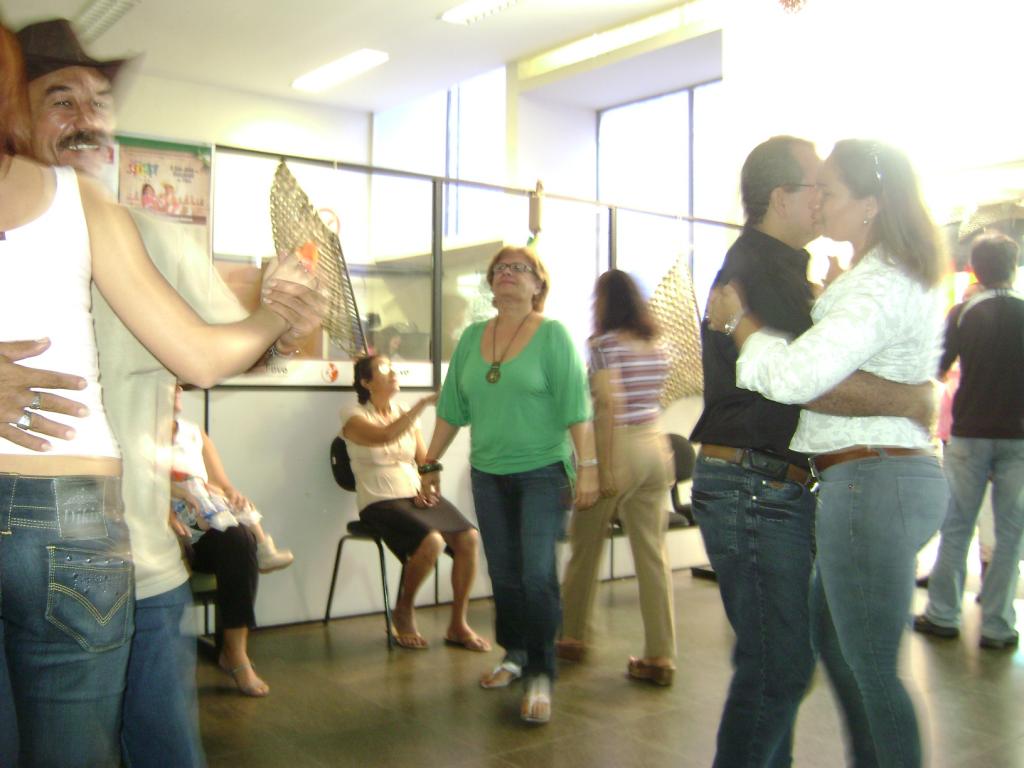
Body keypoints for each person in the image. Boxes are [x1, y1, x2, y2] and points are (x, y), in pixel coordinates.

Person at [6, 19, 322, 767]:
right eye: (61, 99)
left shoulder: (152, 236)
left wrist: (281, 323)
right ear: (15, 113)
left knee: (162, 752)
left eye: (98, 101)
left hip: (139, 561)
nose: (86, 118)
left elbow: (224, 351)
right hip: (41, 545)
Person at [691, 135, 935, 768]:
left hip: (770, 481)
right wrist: (912, 399)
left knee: (790, 663)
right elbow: (809, 382)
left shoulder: (783, 271)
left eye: (831, 189)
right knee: (780, 668)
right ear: (782, 197)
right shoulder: (762, 271)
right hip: (755, 483)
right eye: (815, 188)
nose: (822, 201)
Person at [422, 245, 598, 725]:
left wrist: (588, 466)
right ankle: (515, 654)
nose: (507, 274)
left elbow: (576, 408)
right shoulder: (471, 338)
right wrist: (429, 462)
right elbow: (451, 409)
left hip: (543, 472)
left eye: (520, 268)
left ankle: (541, 671)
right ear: (490, 282)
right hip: (488, 474)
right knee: (504, 572)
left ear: (539, 284)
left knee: (537, 573)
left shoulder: (553, 335)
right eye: (500, 268)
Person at [557, 269, 676, 684]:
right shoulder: (656, 344)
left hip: (618, 447)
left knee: (585, 545)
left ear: (606, 302)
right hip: (657, 446)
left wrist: (602, 467)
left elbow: (608, 403)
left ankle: (573, 636)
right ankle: (660, 656)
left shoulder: (604, 344)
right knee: (653, 555)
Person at [914, 233, 1024, 650]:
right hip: (1019, 436)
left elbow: (936, 368)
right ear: (1012, 268)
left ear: (975, 268)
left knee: (957, 525)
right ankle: (997, 625)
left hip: (970, 434)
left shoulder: (962, 314)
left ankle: (943, 614)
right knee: (1010, 533)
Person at [341, 355, 490, 651]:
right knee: (432, 541)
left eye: (393, 367)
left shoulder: (403, 413)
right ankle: (404, 609)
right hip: (379, 502)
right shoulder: (352, 414)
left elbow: (423, 461)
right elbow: (383, 436)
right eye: (384, 369)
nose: (393, 372)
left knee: (468, 537)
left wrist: (427, 482)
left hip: (412, 496)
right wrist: (422, 404)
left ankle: (458, 625)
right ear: (366, 382)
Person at [168, 386, 291, 698]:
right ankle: (163, 658)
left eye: (179, 384)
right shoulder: (134, 430)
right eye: (170, 383)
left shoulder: (194, 433)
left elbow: (221, 483)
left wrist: (232, 495)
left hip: (202, 521)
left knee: (239, 539)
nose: (177, 389)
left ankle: (235, 653)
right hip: (162, 524)